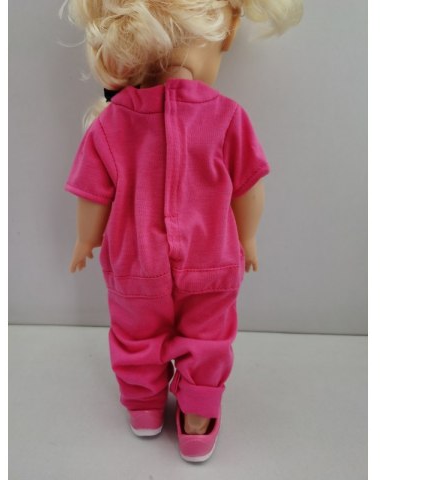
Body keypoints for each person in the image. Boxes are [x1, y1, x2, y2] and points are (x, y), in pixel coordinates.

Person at [64, 0, 302, 463]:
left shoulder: (113, 121)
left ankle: (143, 408)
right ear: (223, 35)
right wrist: (248, 238)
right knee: (207, 340)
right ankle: (197, 417)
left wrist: (85, 241)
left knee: (135, 337)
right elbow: (249, 189)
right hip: (212, 260)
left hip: (135, 265)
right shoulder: (228, 116)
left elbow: (92, 194)